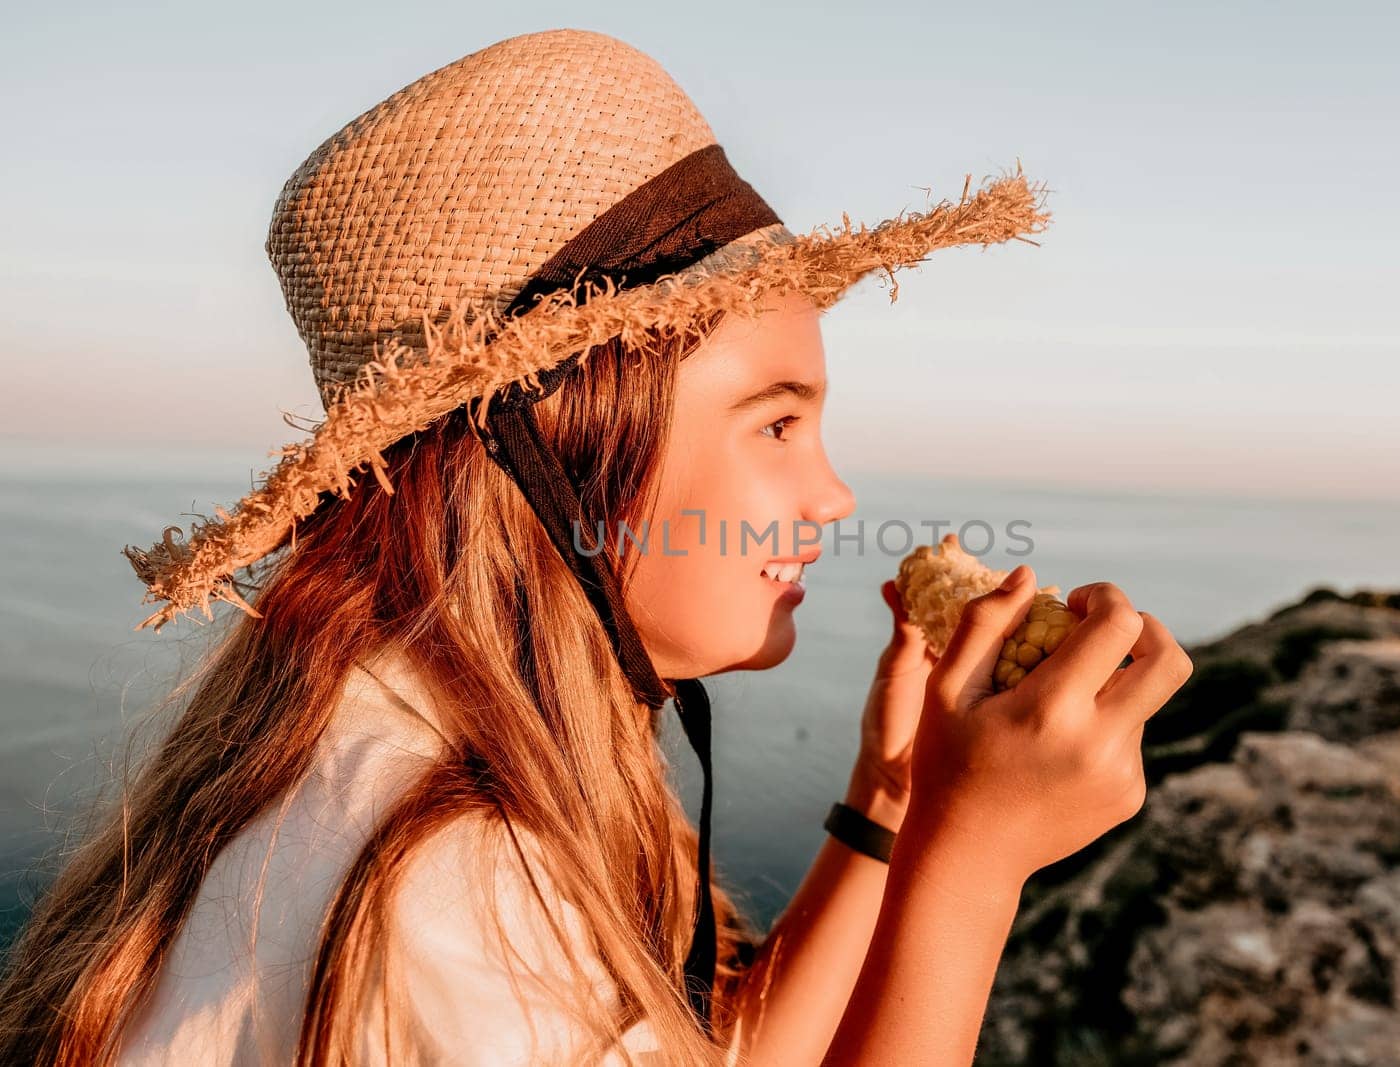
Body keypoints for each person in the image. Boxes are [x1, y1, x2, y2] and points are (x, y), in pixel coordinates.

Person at [0, 27, 1192, 1067]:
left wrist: (897, 801)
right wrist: (973, 864)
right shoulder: (448, 893)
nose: (832, 495)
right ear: (556, 447)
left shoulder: (415, 751)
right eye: (776, 420)